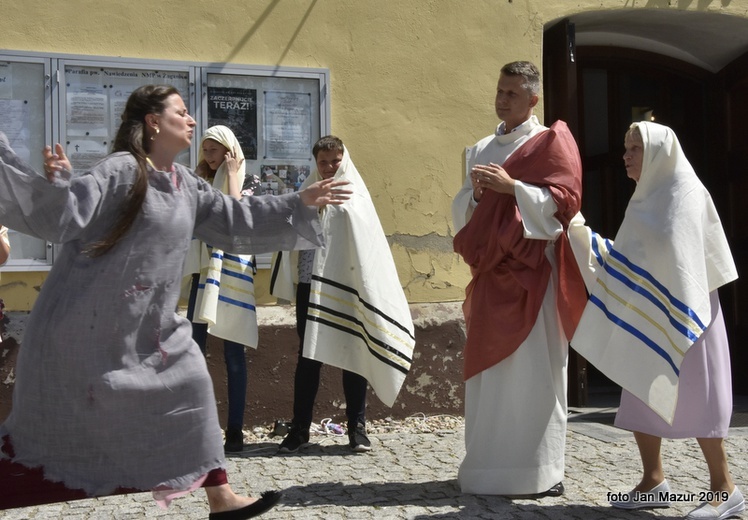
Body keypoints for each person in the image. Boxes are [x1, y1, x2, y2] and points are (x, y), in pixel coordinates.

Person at [0, 84, 350, 518]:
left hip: (152, 329)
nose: (191, 120)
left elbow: (235, 217)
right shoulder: (120, 170)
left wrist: (299, 201)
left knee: (192, 385)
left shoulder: (185, 183)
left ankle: (221, 499)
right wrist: (59, 184)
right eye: (181, 112)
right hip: (89, 327)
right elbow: (65, 214)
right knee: (58, 438)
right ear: (152, 122)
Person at [568, 122, 745, 520]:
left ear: (660, 154)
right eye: (626, 148)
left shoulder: (686, 193)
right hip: (652, 314)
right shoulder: (642, 199)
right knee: (640, 386)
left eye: (635, 148)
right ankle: (653, 481)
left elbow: (683, 262)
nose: (626, 155)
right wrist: (582, 237)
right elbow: (634, 261)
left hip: (690, 318)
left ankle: (726, 489)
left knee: (702, 396)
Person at [451, 61, 587, 497]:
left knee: (538, 378)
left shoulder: (550, 142)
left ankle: (541, 473)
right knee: (489, 379)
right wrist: (474, 195)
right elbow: (463, 216)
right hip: (493, 278)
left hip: (535, 278)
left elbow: (565, 203)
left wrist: (513, 188)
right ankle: (488, 470)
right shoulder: (480, 148)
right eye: (499, 90)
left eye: (512, 93)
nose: (502, 99)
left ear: (533, 99)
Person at [270, 135, 415, 454]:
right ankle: (299, 430)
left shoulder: (356, 195)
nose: (329, 167)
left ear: (344, 159)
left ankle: (357, 428)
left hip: (347, 286)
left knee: (353, 355)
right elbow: (289, 230)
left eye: (335, 160)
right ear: (316, 163)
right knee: (308, 358)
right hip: (310, 285)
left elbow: (366, 244)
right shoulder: (307, 192)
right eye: (323, 161)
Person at [182, 125, 260, 453]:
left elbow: (235, 218)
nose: (208, 157)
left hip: (233, 275)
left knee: (233, 354)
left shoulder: (250, 182)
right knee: (194, 352)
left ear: (229, 151)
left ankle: (236, 430)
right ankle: (199, 428)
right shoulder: (202, 181)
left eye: (213, 151)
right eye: (205, 151)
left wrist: (230, 176)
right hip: (204, 273)